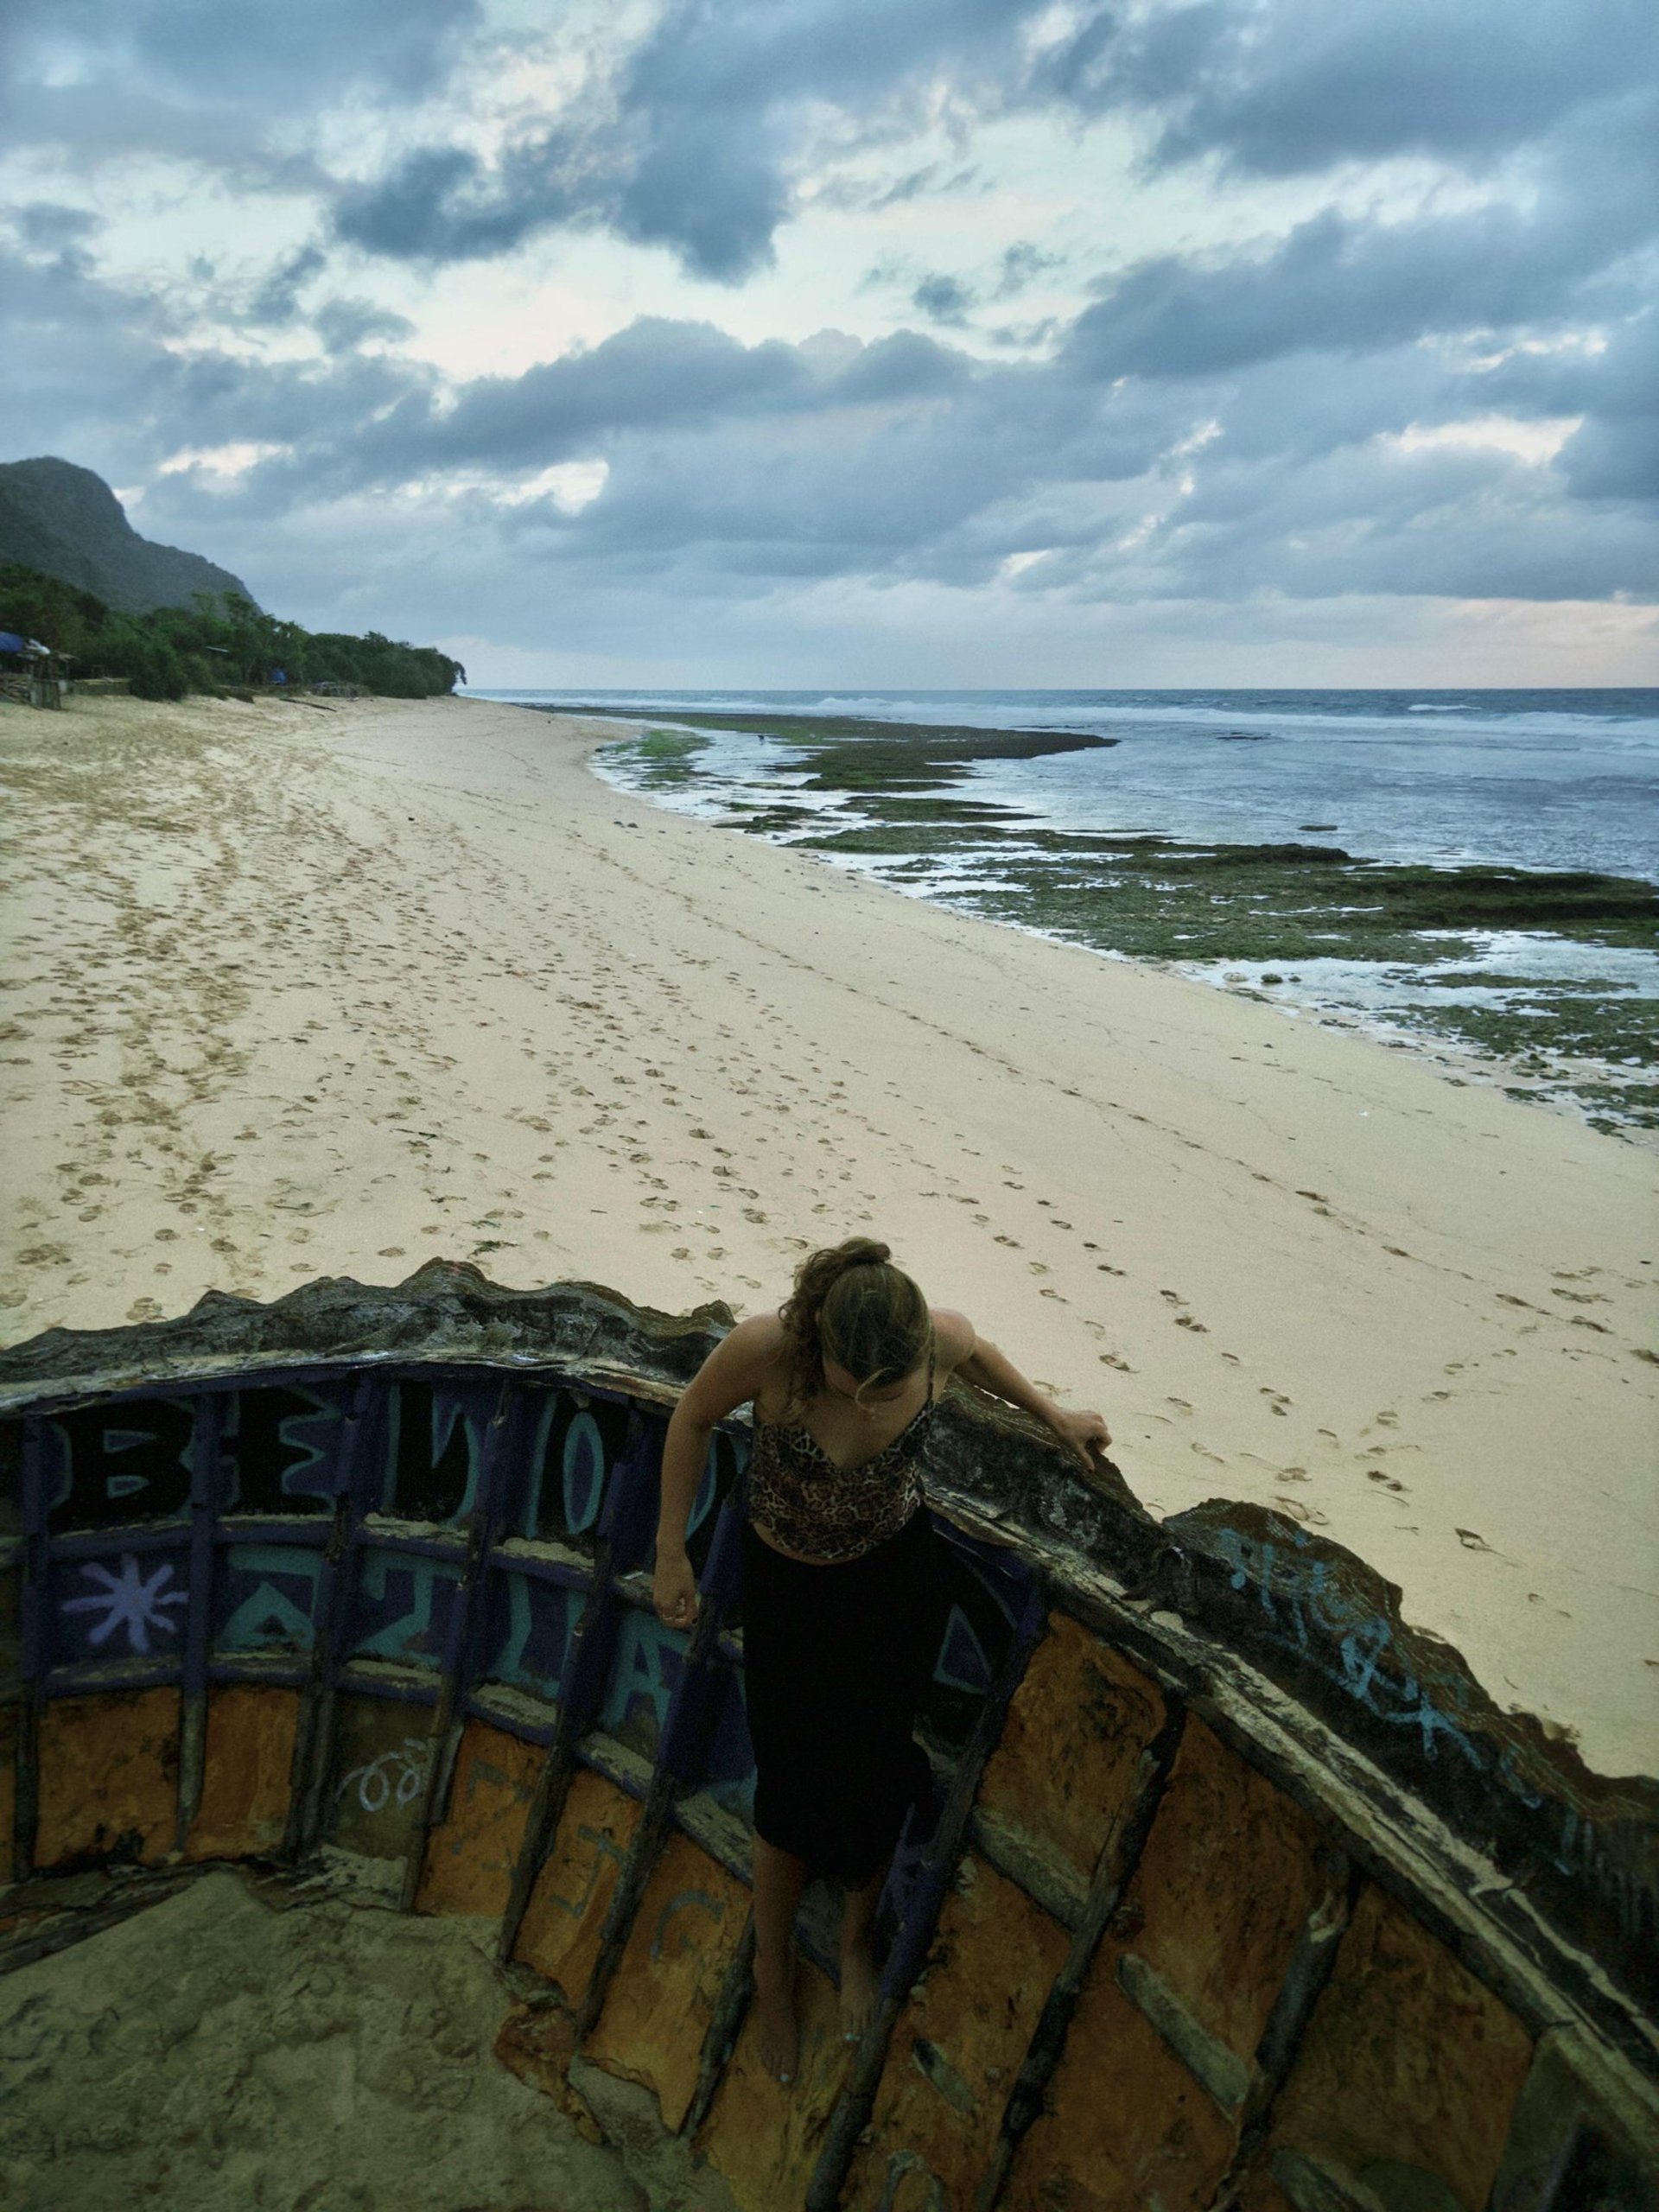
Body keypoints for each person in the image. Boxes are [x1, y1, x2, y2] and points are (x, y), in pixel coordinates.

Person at [652, 1236, 1111, 2084]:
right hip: (788, 1594)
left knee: (880, 1766)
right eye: (852, 1385)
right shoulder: (767, 1348)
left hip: (893, 1584)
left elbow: (981, 1355)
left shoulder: (938, 1339)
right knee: (790, 1779)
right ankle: (771, 1960)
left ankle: (854, 1940)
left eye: (889, 1389)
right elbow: (692, 1417)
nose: (869, 1403)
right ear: (817, 1337)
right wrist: (670, 1550)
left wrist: (1055, 1416)